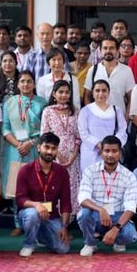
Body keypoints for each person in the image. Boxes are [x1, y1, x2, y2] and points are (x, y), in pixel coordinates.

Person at [77, 135, 137, 256]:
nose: (110, 155)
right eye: (107, 151)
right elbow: (83, 198)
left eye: (114, 151)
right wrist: (100, 209)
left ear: (120, 153)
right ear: (101, 152)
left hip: (117, 215)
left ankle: (118, 241)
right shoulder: (90, 171)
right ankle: (90, 244)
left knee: (130, 235)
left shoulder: (129, 176)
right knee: (83, 214)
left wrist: (116, 229)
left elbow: (131, 207)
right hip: (97, 214)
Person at [15, 132, 72, 256]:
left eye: (53, 148)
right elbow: (20, 199)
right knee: (32, 215)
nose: (50, 152)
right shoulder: (25, 170)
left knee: (63, 249)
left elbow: (66, 202)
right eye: (46, 147)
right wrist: (36, 205)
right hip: (29, 213)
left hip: (51, 216)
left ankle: (40, 235)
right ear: (38, 148)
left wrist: (64, 226)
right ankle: (29, 244)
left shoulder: (61, 172)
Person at [0, 70, 47, 203]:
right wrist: (18, 144)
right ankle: (17, 219)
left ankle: (34, 217)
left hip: (35, 147)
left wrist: (30, 143)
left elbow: (45, 129)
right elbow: (5, 128)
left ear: (34, 84)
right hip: (15, 148)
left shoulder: (42, 103)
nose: (26, 84)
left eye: (29, 81)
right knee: (16, 183)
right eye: (22, 81)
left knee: (36, 181)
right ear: (17, 84)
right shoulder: (9, 102)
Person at [41, 80, 81, 216]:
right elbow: (45, 136)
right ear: (54, 94)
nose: (64, 95)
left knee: (70, 188)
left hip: (72, 158)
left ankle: (67, 221)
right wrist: (58, 154)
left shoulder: (75, 111)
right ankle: (52, 219)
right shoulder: (48, 111)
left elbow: (78, 136)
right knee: (53, 186)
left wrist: (73, 156)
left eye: (67, 92)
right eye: (60, 92)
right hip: (53, 156)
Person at [78, 80, 128, 173]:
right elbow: (83, 133)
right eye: (97, 91)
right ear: (92, 93)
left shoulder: (116, 110)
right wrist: (98, 145)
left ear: (108, 93)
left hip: (111, 154)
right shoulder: (85, 111)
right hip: (90, 154)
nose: (101, 93)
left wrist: (111, 147)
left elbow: (122, 131)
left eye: (104, 90)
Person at [83, 36, 135, 109]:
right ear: (100, 51)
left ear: (117, 51)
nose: (108, 51)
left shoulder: (126, 70)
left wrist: (125, 119)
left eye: (111, 48)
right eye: (105, 48)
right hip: (97, 117)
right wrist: (90, 113)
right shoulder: (93, 70)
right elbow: (87, 96)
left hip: (118, 117)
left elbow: (131, 98)